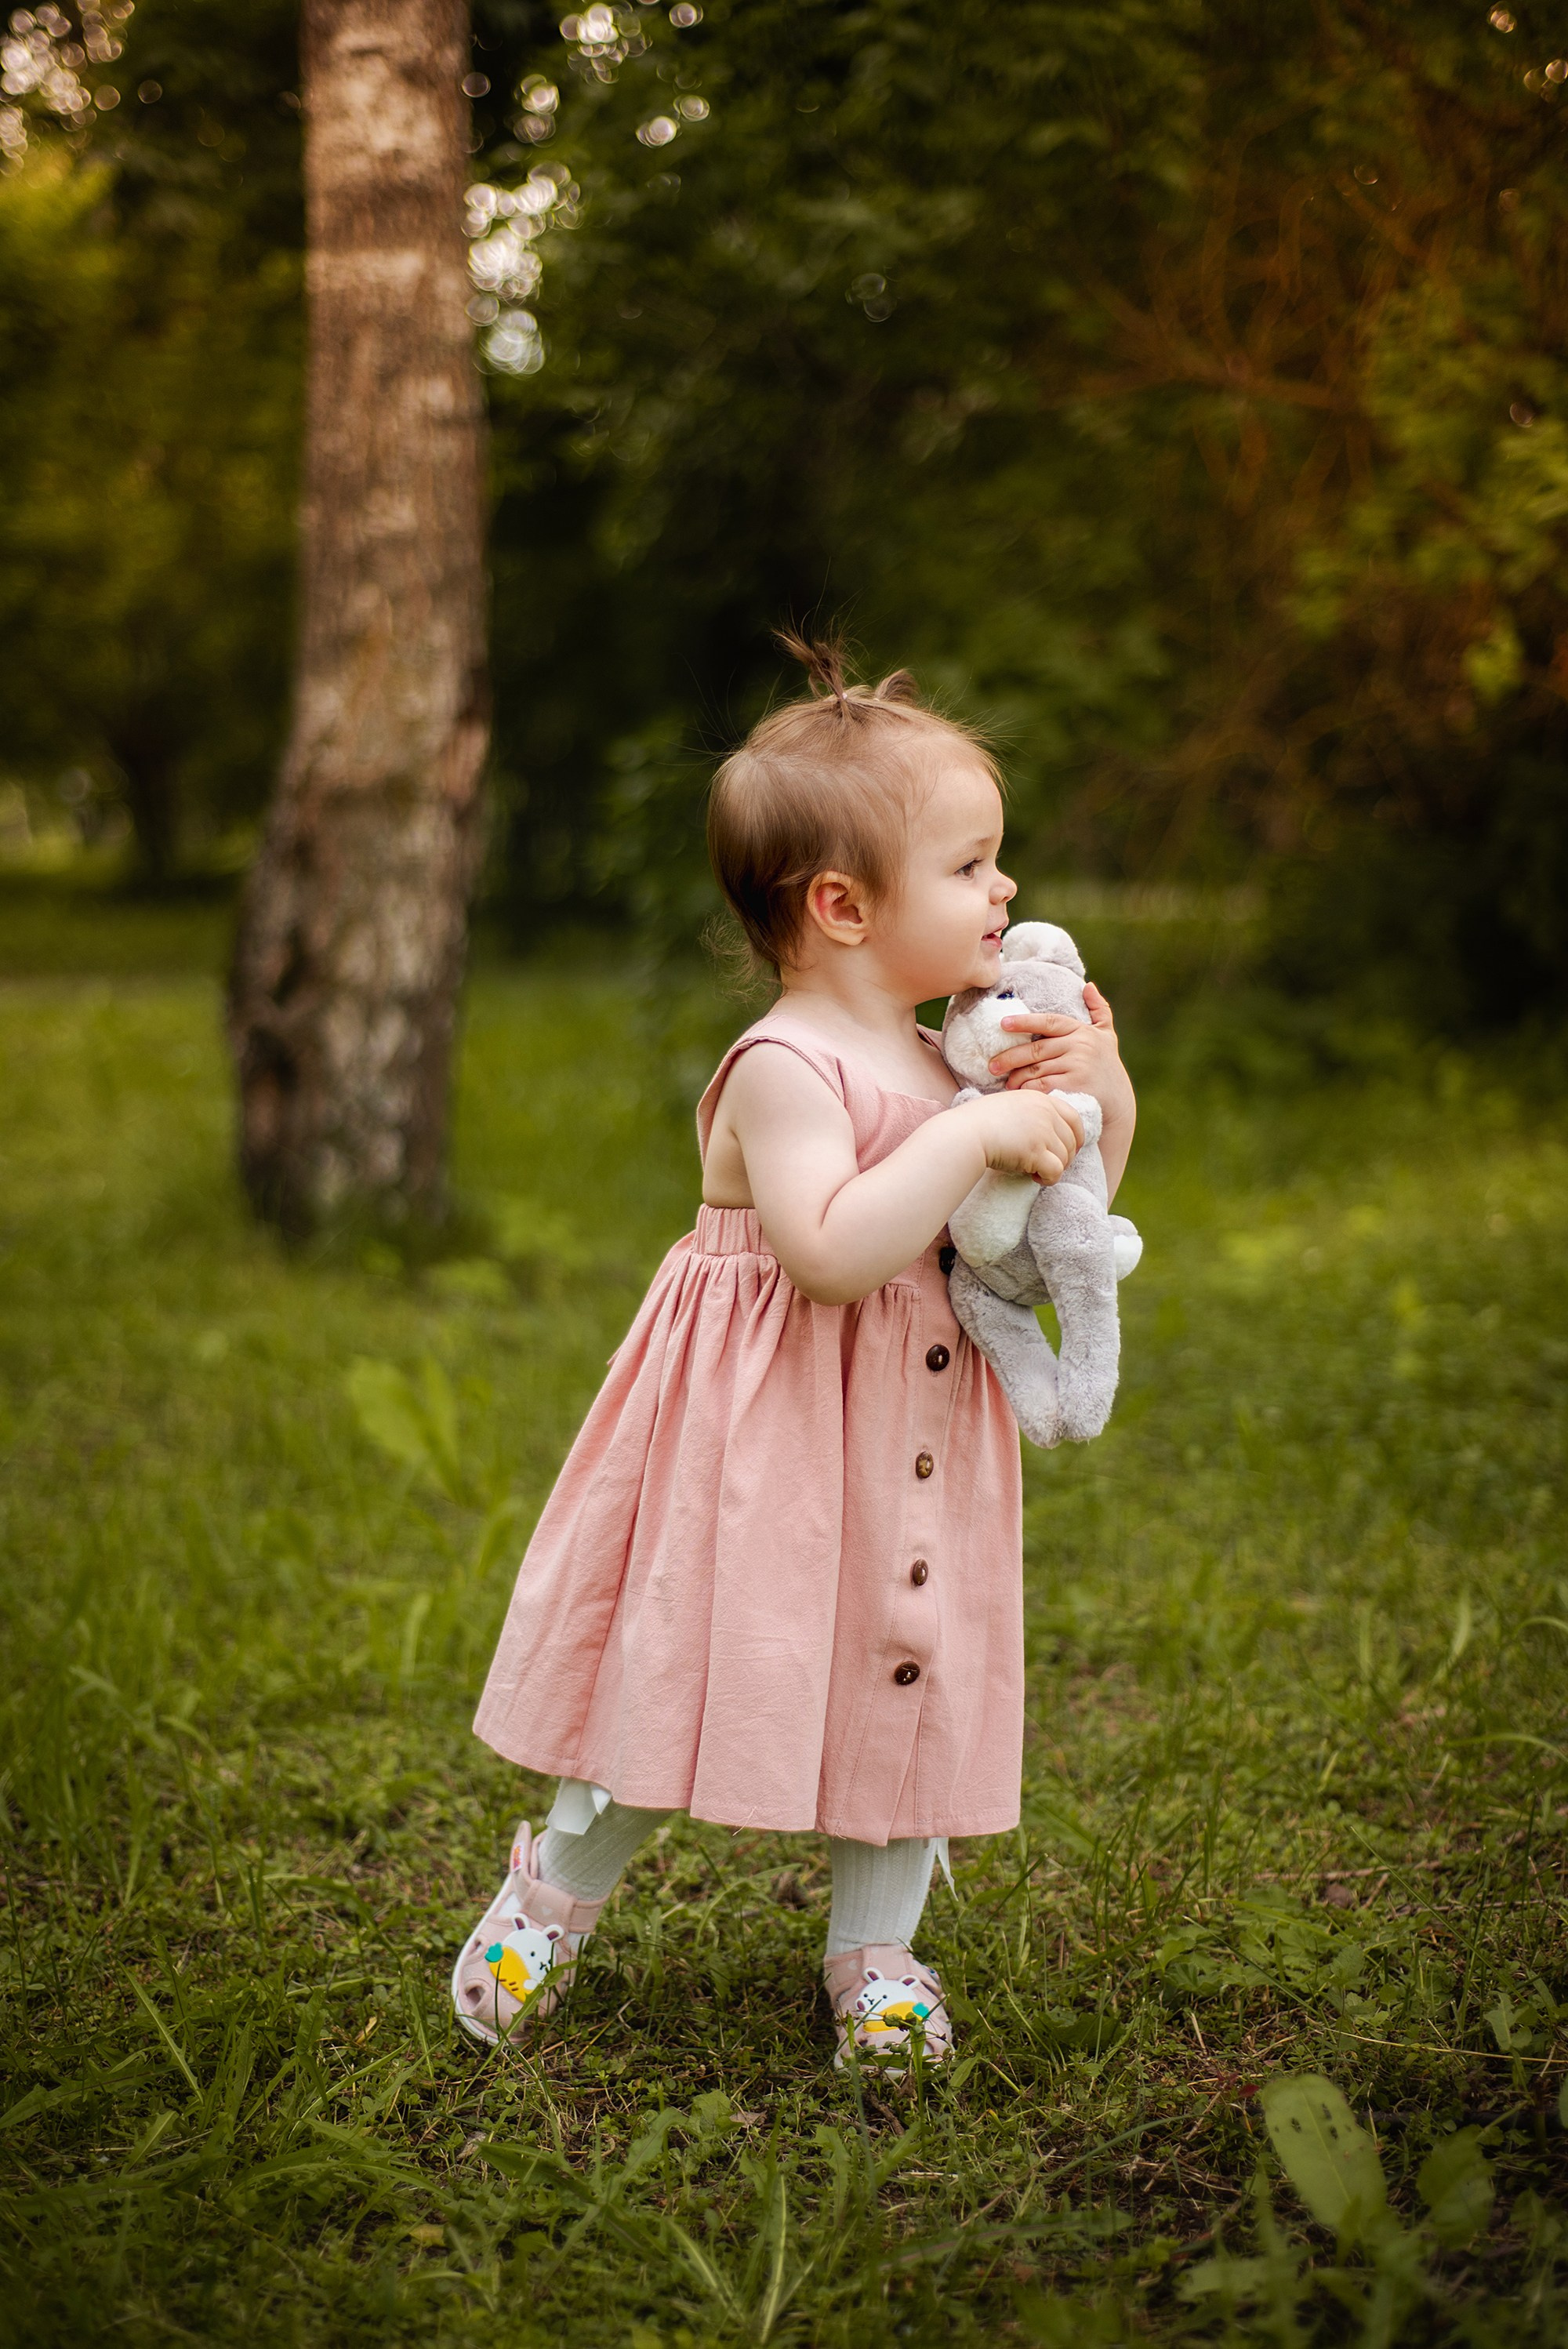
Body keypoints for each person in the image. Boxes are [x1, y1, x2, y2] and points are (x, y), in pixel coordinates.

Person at [452, 633, 1137, 2066]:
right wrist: (968, 1135)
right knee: (705, 1654)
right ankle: (556, 1893)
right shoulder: (784, 1069)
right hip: (767, 1443)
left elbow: (1051, 1214)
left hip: (915, 1431)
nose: (1005, 890)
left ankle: (877, 1951)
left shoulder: (952, 1050)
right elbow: (829, 1254)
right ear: (840, 905)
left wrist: (1094, 1092)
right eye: (969, 866)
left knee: (910, 1660)